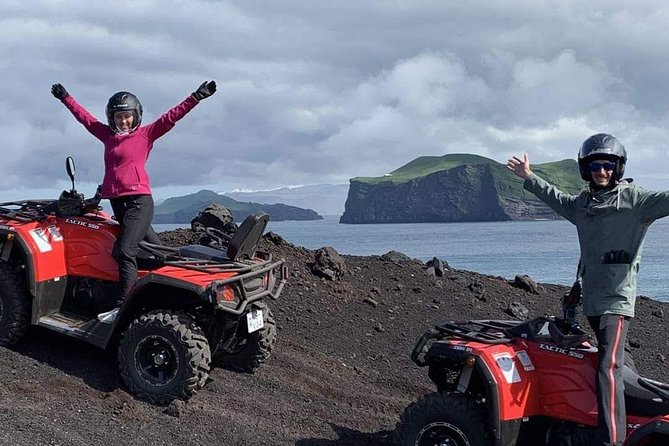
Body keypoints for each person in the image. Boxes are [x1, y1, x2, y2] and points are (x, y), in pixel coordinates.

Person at [507, 133, 669, 446]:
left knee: (607, 367)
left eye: (608, 164)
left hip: (617, 301)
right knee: (616, 363)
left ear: (618, 167)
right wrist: (529, 177)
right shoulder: (583, 205)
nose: (602, 170)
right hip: (592, 300)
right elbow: (559, 200)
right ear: (586, 168)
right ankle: (639, 408)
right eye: (595, 164)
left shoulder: (636, 201)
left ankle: (611, 439)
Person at [51, 80, 217, 322]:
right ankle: (173, 291)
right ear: (112, 118)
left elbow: (172, 116)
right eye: (119, 117)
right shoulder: (107, 136)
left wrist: (197, 96)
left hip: (139, 202)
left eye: (127, 116)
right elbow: (85, 118)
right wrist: (66, 98)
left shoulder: (146, 135)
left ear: (136, 116)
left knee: (124, 252)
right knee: (156, 251)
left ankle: (122, 306)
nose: (123, 121)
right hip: (119, 205)